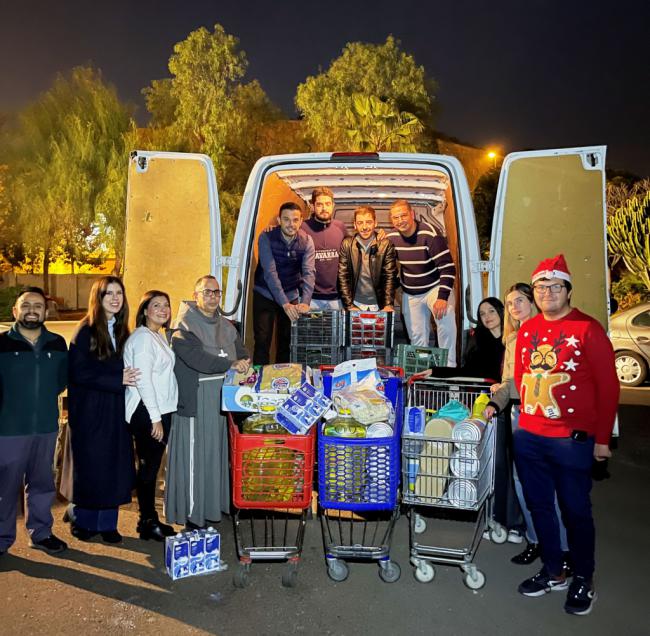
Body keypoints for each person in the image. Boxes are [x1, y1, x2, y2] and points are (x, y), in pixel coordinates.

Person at [513, 254, 619, 616]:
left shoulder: (588, 329)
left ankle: (583, 577)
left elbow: (609, 387)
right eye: (541, 287)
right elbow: (519, 375)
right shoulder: (527, 329)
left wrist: (602, 439)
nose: (547, 293)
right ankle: (554, 569)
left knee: (575, 511)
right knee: (539, 506)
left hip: (571, 440)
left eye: (555, 287)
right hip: (529, 434)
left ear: (568, 290)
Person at [485, 284, 570, 565]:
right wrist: (495, 403)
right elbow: (509, 384)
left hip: (545, 416)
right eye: (509, 303)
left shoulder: (548, 332)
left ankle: (563, 549)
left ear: (533, 302)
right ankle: (535, 541)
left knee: (550, 484)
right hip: (518, 415)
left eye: (520, 300)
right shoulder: (511, 340)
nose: (514, 307)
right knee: (522, 482)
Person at [166, 275, 251, 529]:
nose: (212, 296)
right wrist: (230, 364)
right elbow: (197, 359)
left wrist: (244, 361)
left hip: (221, 401)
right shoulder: (184, 325)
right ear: (196, 295)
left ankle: (213, 507)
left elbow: (242, 351)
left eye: (216, 292)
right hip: (198, 400)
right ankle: (193, 516)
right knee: (196, 459)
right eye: (207, 292)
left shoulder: (227, 326)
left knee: (215, 456)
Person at [61, 276, 139, 543]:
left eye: (119, 293)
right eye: (109, 294)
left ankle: (107, 524)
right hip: (91, 410)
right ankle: (82, 519)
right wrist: (117, 379)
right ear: (99, 298)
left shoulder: (122, 330)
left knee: (113, 466)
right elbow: (79, 372)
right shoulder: (85, 330)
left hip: (116, 409)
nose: (116, 298)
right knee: (90, 466)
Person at [0, 287, 68, 556]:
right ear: (15, 311)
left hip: (46, 427)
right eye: (26, 305)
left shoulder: (57, 343)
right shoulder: (2, 343)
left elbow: (62, 380)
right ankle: (2, 539)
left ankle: (40, 533)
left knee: (41, 483)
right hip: (8, 429)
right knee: (5, 487)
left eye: (37, 306)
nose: (32, 310)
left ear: (45, 311)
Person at [124, 290, 178, 541]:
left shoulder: (156, 336)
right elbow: (143, 380)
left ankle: (147, 519)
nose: (162, 309)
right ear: (145, 310)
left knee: (151, 466)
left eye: (166, 305)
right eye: (156, 305)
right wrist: (156, 418)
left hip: (158, 409)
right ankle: (147, 521)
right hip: (148, 411)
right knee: (149, 467)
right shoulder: (144, 339)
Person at [386, 199, 457, 366]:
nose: (400, 220)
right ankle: (421, 376)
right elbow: (384, 264)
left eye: (403, 215)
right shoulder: (391, 238)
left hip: (434, 287)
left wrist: (442, 298)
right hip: (411, 293)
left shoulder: (430, 235)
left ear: (412, 214)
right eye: (395, 218)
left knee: (446, 316)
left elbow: (448, 268)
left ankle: (449, 368)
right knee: (417, 338)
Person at [253, 201, 315, 364]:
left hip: (290, 293)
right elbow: (270, 273)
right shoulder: (266, 237)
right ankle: (259, 383)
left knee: (286, 342)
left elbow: (309, 273)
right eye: (286, 219)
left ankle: (283, 381)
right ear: (279, 220)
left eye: (295, 220)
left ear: (301, 221)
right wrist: (285, 304)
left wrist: (306, 302)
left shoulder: (307, 241)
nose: (291, 224)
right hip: (265, 293)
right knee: (262, 340)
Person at [337, 205, 398, 312]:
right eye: (360, 223)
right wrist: (349, 305)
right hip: (355, 304)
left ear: (375, 223)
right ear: (355, 225)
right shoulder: (347, 244)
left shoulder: (386, 244)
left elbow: (390, 276)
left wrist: (388, 304)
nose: (364, 227)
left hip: (379, 305)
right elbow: (342, 276)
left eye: (368, 222)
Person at [301, 187, 348, 310]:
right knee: (311, 330)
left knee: (337, 330)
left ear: (333, 205)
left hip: (337, 298)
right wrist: (272, 230)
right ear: (312, 206)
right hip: (310, 298)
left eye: (327, 204)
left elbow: (355, 245)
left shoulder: (341, 227)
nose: (324, 208)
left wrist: (377, 235)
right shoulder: (302, 228)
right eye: (319, 204)